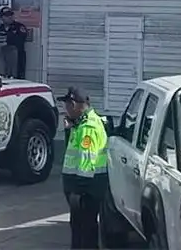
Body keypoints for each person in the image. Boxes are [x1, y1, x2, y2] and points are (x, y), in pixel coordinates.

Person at [59, 87, 109, 249]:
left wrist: (78, 191)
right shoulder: (79, 124)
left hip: (86, 191)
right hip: (82, 190)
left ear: (74, 105)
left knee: (86, 231)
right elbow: (72, 151)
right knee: (79, 228)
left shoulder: (88, 127)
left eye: (67, 105)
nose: (65, 109)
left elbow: (87, 163)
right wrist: (69, 130)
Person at [0, 6, 28, 78]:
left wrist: (7, 41)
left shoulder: (19, 27)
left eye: (11, 15)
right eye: (7, 15)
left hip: (16, 62)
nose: (10, 17)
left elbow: (21, 40)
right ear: (2, 18)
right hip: (1, 63)